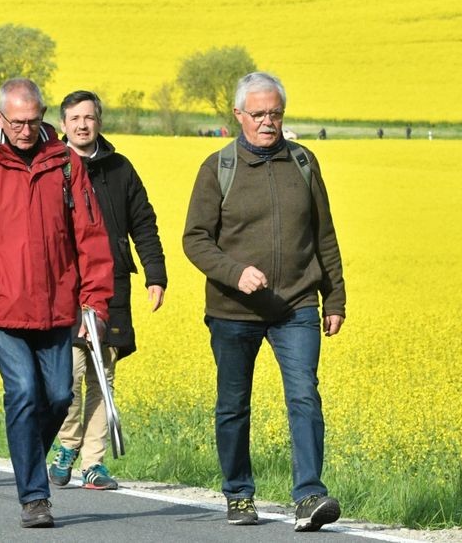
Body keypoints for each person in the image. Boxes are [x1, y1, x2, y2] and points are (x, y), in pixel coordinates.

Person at [0, 78, 114, 528]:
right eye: (17, 122)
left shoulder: (67, 166)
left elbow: (91, 239)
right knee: (22, 392)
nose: (25, 130)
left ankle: (26, 456)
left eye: (34, 121)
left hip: (57, 306)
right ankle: (35, 497)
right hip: (2, 308)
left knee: (58, 395)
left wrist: (93, 302)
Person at [182, 72, 346, 532]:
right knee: (234, 404)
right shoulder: (218, 168)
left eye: (275, 113)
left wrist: (335, 298)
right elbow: (195, 239)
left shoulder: (303, 162)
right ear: (239, 116)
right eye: (259, 114)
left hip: (296, 305)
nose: (268, 122)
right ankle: (238, 494)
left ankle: (309, 494)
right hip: (233, 312)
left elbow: (324, 235)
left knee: (304, 397)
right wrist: (235, 273)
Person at [48, 91, 167, 491]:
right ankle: (67, 445)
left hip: (112, 281)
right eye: (74, 118)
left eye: (89, 117)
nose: (82, 124)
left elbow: (144, 222)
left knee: (104, 374)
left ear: (99, 121)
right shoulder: (52, 167)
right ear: (63, 124)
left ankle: (93, 463)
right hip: (65, 284)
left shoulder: (119, 168)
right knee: (70, 374)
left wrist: (155, 273)